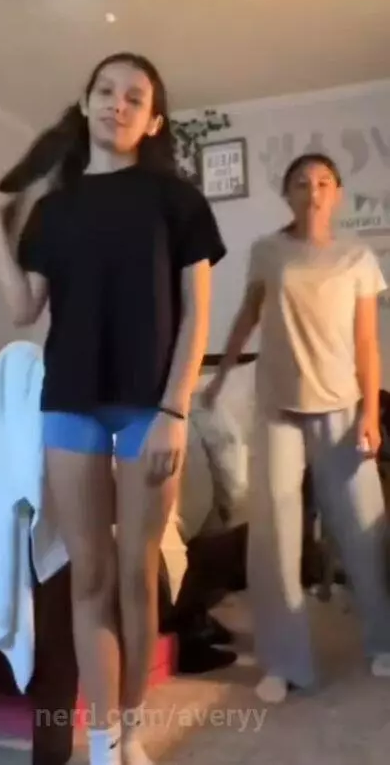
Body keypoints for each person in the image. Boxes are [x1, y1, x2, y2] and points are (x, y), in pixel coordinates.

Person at [0, 53, 226, 765]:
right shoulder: (54, 210)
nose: (119, 103)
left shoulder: (176, 200)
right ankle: (103, 737)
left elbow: (196, 314)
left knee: (135, 576)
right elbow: (24, 308)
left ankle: (133, 726)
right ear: (87, 104)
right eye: (106, 91)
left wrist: (176, 411)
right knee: (88, 577)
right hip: (70, 403)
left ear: (153, 120)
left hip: (150, 407)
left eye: (135, 96)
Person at [203, 153, 390, 704]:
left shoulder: (357, 257)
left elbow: (366, 342)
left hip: (341, 407)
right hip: (277, 407)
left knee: (364, 527)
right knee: (275, 536)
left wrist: (371, 414)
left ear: (337, 194)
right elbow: (247, 316)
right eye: (302, 183)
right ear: (287, 194)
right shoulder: (267, 251)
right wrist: (219, 375)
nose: (314, 191)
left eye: (324, 182)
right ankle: (285, 662)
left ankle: (383, 639)